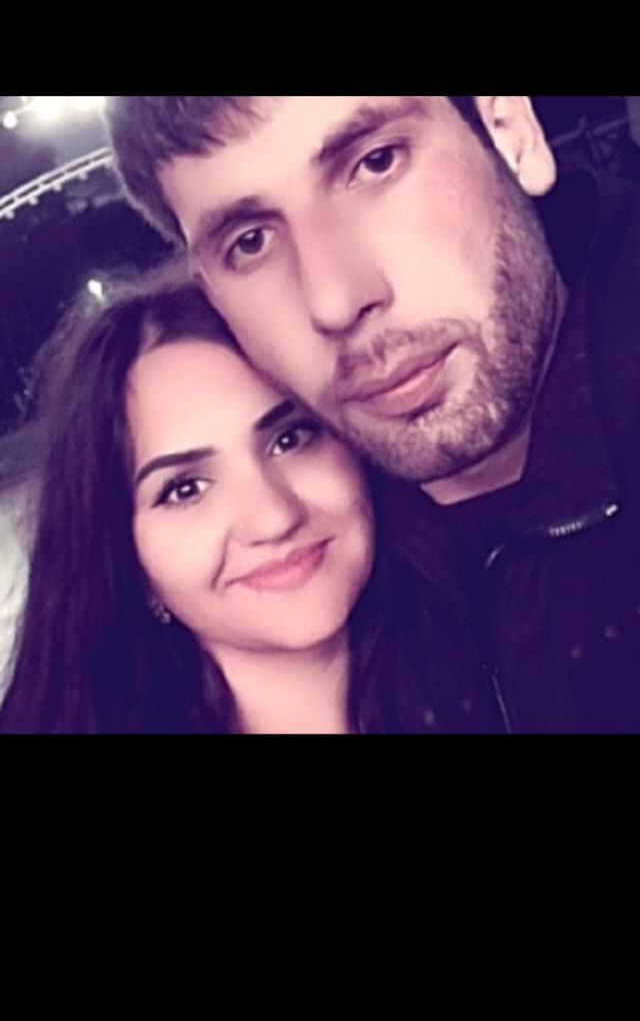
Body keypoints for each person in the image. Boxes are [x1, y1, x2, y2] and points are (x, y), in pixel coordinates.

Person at [106, 95, 640, 733]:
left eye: (376, 162)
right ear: (213, 295)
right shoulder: (331, 569)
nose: (335, 299)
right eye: (250, 242)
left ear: (510, 131)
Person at [1, 263, 489, 734]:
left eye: (290, 439)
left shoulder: (508, 659)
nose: (273, 517)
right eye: (186, 489)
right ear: (126, 558)